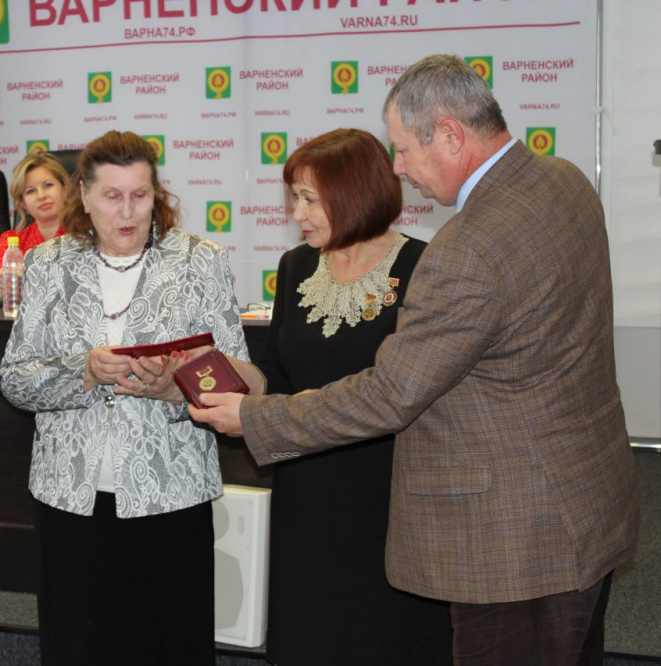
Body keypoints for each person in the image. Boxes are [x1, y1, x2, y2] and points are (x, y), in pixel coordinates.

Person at [191, 54, 639, 665]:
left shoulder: (465, 250)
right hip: (583, 506)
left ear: (450, 134)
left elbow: (389, 394)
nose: (398, 168)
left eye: (403, 149)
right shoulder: (563, 180)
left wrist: (254, 418)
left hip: (512, 543)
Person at [0, 130, 253, 666]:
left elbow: (237, 381)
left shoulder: (199, 260)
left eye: (140, 194)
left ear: (156, 192)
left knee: (167, 647)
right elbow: (15, 381)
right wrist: (84, 371)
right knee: (79, 646)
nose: (128, 211)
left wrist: (175, 389)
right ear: (84, 196)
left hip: (171, 495)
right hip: (71, 497)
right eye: (112, 196)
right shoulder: (47, 263)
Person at [245, 129, 451, 664]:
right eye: (294, 197)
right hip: (307, 490)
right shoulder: (295, 266)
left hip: (390, 494)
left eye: (309, 199)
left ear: (354, 195)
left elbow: (415, 390)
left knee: (387, 637)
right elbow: (279, 373)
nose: (297, 213)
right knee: (310, 630)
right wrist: (241, 379)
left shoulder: (423, 267)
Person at [0, 151, 68, 305]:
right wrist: (3, 292)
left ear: (65, 189)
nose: (41, 196)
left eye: (48, 185)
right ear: (23, 203)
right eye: (30, 191)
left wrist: (31, 281)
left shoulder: (85, 235)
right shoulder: (12, 241)